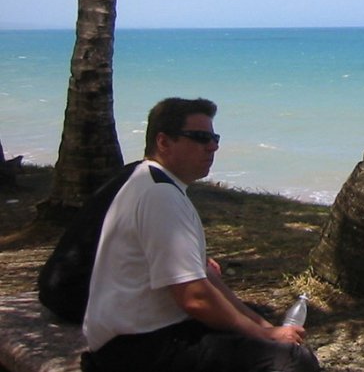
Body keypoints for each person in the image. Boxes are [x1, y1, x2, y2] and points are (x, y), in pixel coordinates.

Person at [82, 97, 321, 372]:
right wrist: (267, 337)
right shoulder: (159, 196)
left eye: (214, 137)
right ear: (163, 142)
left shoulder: (151, 182)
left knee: (266, 329)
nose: (213, 146)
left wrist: (267, 329)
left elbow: (204, 279)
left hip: (143, 337)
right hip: (135, 350)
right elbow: (195, 298)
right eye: (200, 137)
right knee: (292, 362)